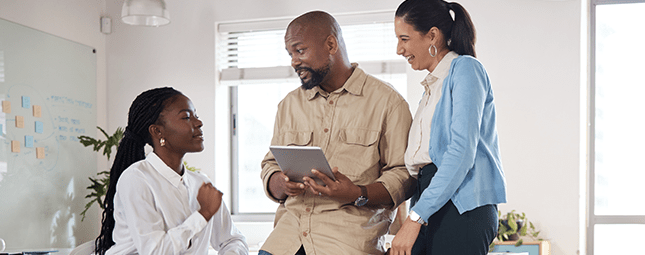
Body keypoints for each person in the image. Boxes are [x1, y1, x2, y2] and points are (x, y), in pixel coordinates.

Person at [259, 11, 415, 255]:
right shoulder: (288, 105)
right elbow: (270, 165)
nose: (294, 61)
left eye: (300, 51)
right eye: (290, 54)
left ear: (331, 44)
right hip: (284, 243)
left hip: (346, 244)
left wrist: (357, 193)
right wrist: (279, 183)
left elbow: (405, 175)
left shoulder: (388, 103)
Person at [389, 1, 507, 254]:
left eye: (405, 38)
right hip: (428, 200)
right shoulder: (431, 87)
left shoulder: (465, 69)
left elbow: (461, 152)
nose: (400, 49)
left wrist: (415, 219)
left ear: (432, 35)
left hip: (460, 206)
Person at [94, 87, 248, 255]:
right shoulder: (136, 179)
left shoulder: (201, 183)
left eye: (195, 115)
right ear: (158, 131)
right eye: (186, 117)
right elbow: (155, 251)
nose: (198, 122)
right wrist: (203, 214)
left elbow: (233, 240)